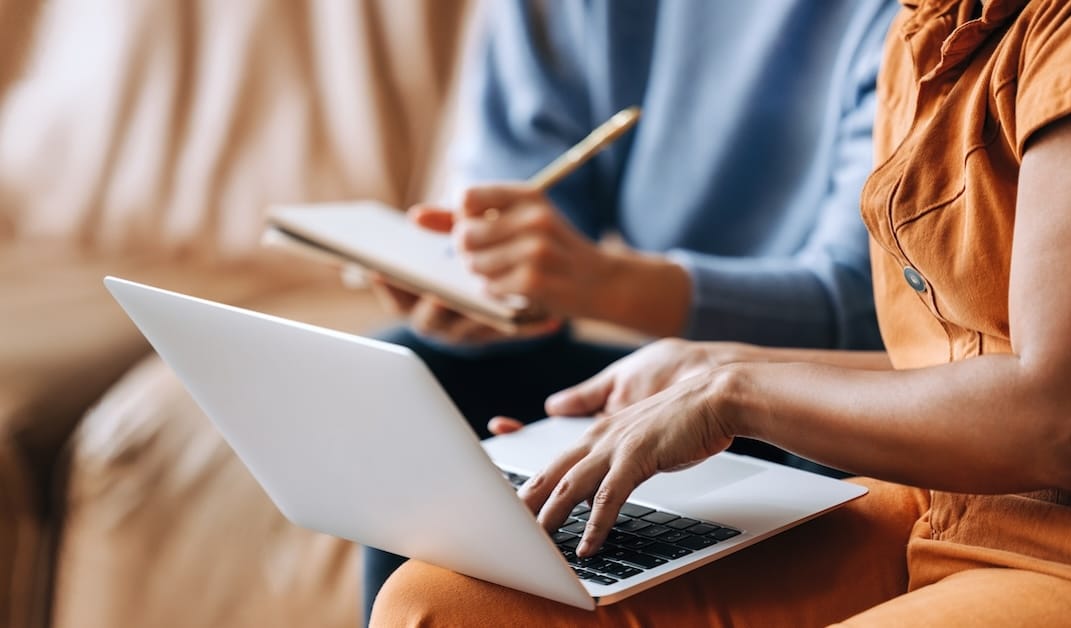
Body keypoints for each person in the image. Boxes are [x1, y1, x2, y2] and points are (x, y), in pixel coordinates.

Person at [369, 0, 1071, 625]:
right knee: (446, 602)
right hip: (933, 501)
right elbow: (956, 362)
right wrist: (703, 368)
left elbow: (1064, 422)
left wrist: (737, 392)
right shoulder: (932, 26)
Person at [360, 0, 899, 618]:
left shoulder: (910, 18)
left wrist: (602, 284)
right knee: (424, 374)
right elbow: (514, 200)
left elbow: (868, 304)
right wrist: (482, 286)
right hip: (669, 364)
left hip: (826, 393)